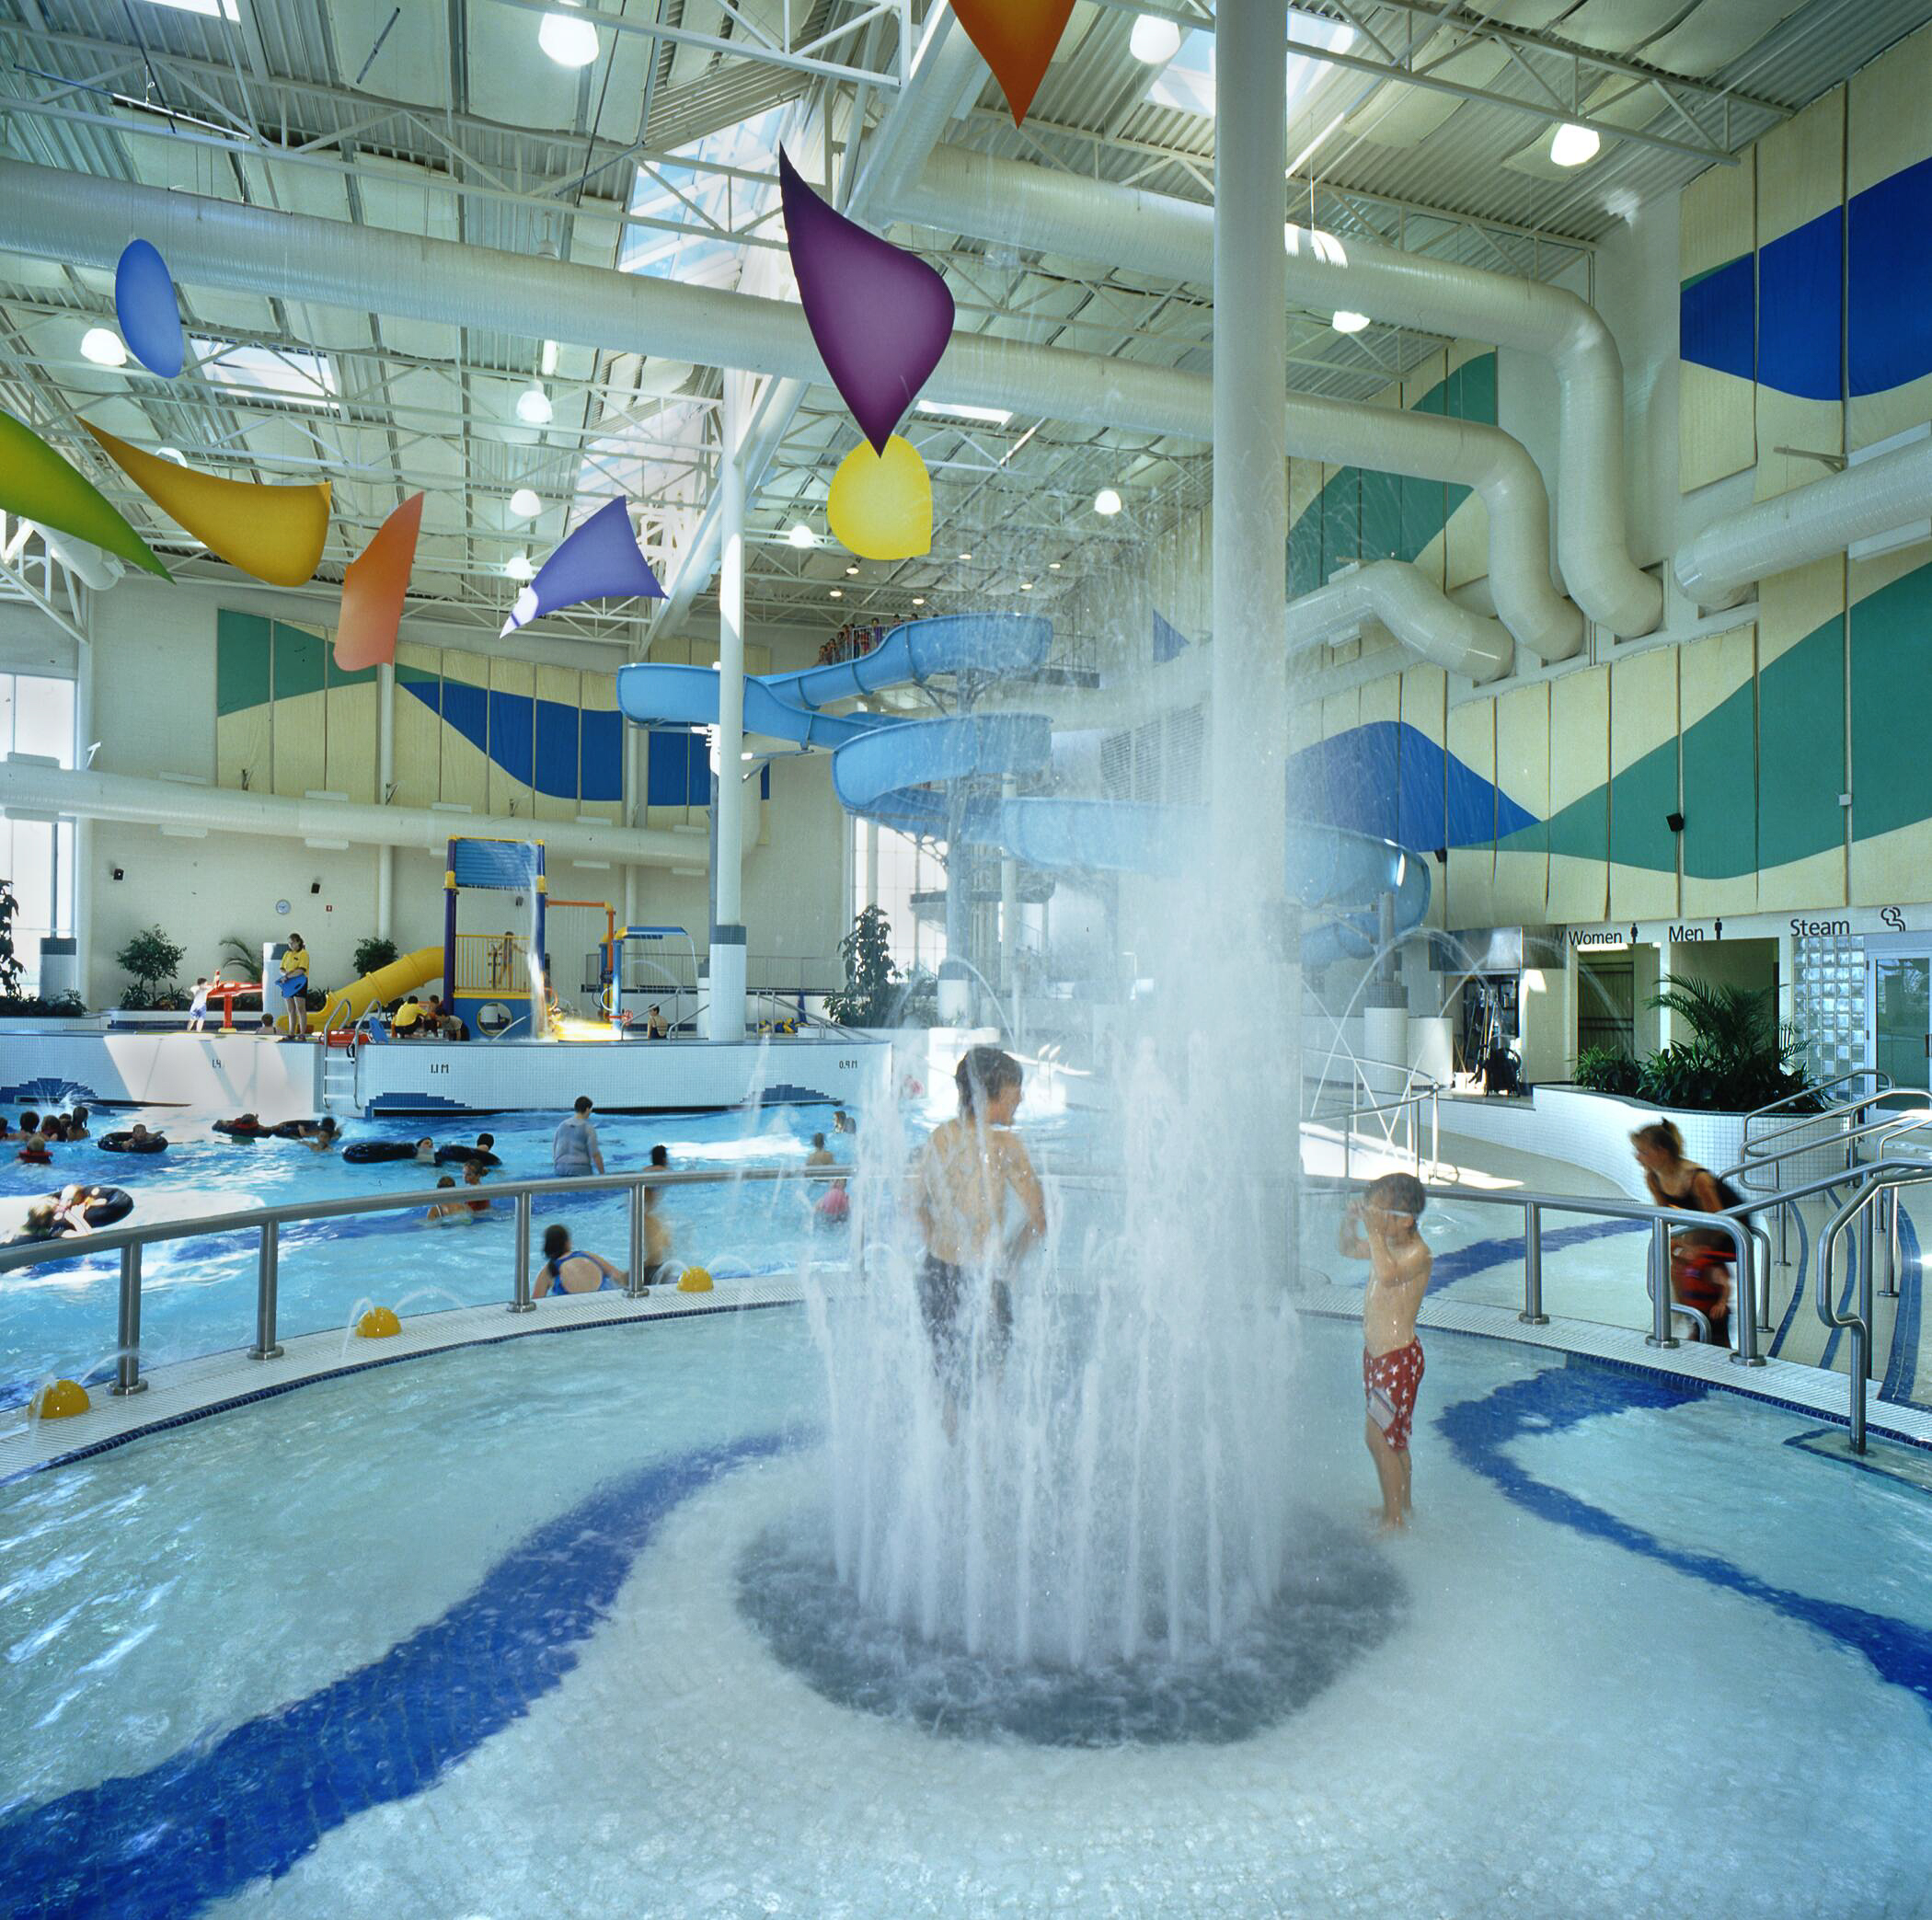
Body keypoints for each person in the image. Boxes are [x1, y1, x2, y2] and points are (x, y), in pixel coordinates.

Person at [912, 1047, 1047, 1431]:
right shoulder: (1006, 1148)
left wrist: (934, 1241)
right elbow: (1038, 1218)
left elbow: (916, 1204)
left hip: (937, 1273)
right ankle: (982, 1476)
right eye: (1014, 1087)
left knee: (947, 1387)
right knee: (990, 1386)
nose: (1020, 1096)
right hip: (985, 1280)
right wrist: (1012, 1259)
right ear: (992, 1090)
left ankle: (949, 1473)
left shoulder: (940, 1137)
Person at [1338, 1172, 1433, 1532]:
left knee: (1379, 1437)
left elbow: (1389, 1275)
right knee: (1393, 1437)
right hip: (1378, 1357)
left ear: (1405, 1219)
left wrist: (1375, 1233)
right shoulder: (1388, 1244)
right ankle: (1399, 1506)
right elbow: (1347, 1249)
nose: (1374, 1219)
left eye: (1381, 1212)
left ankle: (1395, 1520)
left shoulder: (1418, 1253)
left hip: (1398, 1359)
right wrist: (1349, 1222)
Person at [1631, 1121, 1737, 1348]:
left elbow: (1718, 1223)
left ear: (1662, 1152)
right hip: (1699, 1229)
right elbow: (1667, 1217)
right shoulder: (1653, 1178)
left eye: (1643, 1152)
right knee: (1679, 1267)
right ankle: (1696, 1323)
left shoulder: (1697, 1179)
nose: (1638, 1158)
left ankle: (1716, 1330)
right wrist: (1677, 1244)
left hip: (1729, 1228)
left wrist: (1695, 1248)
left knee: (1701, 1271)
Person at [534, 1223, 626, 1295]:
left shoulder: (547, 1272)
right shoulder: (587, 1255)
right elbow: (619, 1276)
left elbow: (536, 1304)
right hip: (606, 1300)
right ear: (567, 1243)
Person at [553, 1095, 604, 1178]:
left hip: (560, 1169)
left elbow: (555, 1149)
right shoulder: (588, 1128)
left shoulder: (561, 1126)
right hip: (580, 1169)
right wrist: (603, 1175)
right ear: (587, 1109)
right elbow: (595, 1154)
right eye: (590, 1109)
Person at [279, 933, 311, 1040]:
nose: (290, 945)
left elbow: (301, 970)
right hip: (287, 983)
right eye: (289, 943)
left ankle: (302, 1033)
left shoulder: (303, 954)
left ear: (298, 942)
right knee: (290, 1009)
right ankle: (291, 1033)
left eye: (292, 943)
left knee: (300, 1008)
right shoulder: (287, 954)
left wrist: (288, 976)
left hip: (299, 982)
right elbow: (282, 969)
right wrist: (285, 975)